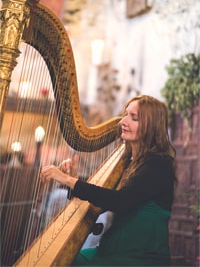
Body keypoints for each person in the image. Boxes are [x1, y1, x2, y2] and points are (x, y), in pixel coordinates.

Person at [41, 94, 177, 266]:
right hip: (115, 249)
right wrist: (73, 179)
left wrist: (68, 180)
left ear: (151, 126)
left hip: (140, 256)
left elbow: (119, 200)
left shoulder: (158, 164)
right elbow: (102, 199)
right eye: (125, 114)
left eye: (133, 118)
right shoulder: (130, 163)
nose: (123, 122)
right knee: (61, 259)